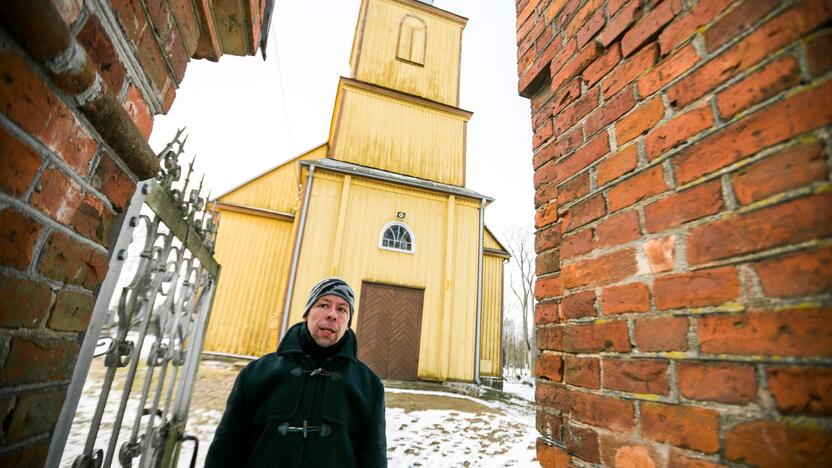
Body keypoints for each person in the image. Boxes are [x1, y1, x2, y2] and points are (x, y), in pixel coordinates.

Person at [205, 278, 387, 467]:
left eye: (342, 309)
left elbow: (374, 458)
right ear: (306, 314)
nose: (332, 315)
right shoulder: (256, 374)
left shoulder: (369, 386)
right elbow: (226, 448)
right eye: (323, 305)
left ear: (348, 323)